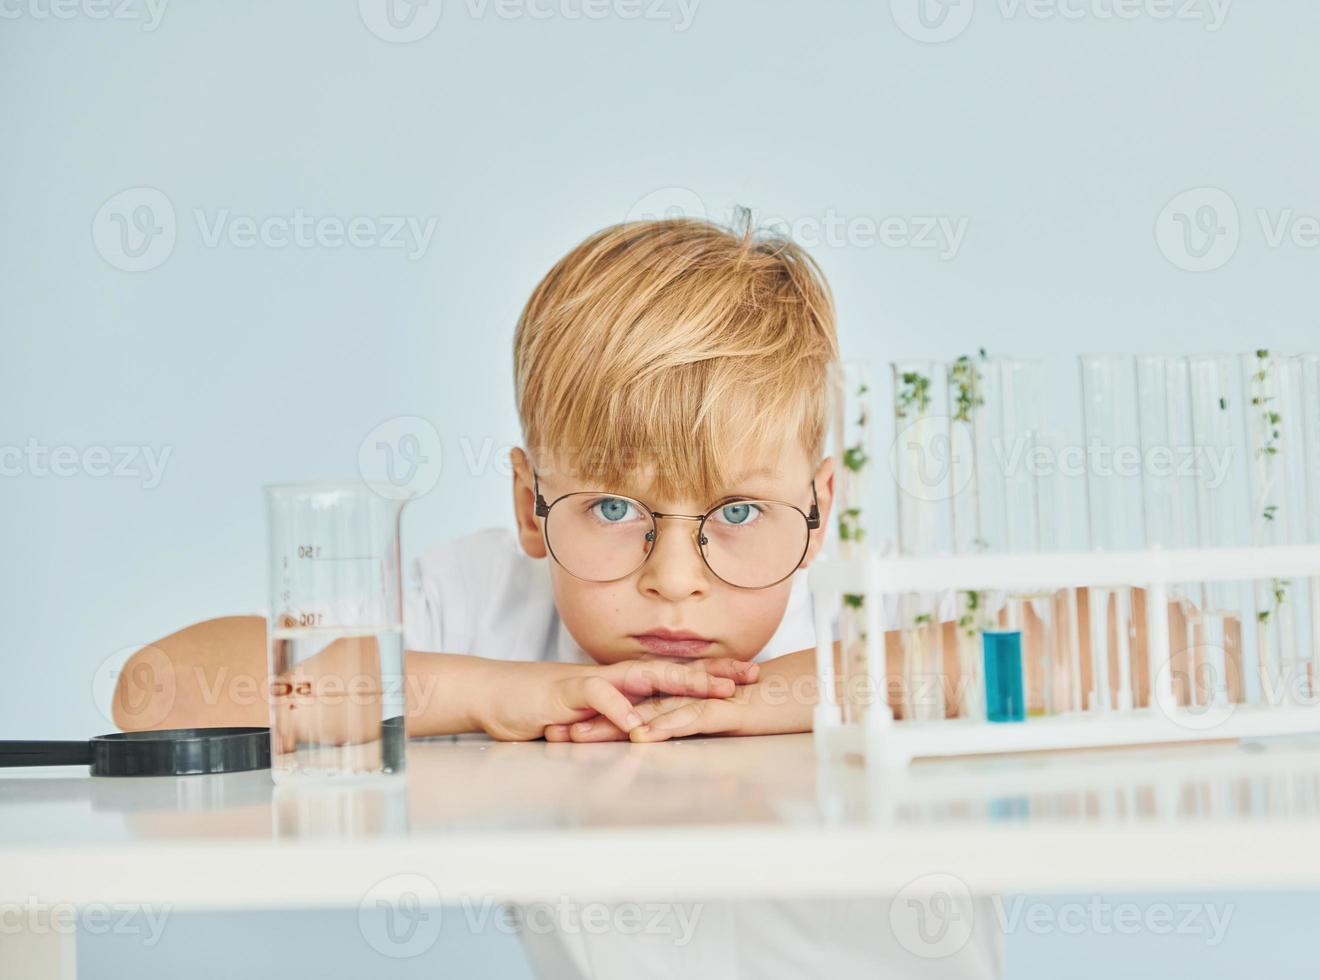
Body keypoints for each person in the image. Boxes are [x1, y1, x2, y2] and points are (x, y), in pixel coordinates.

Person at [113, 212, 1000, 978]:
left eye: (737, 511)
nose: (676, 578)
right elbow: (158, 693)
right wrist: (500, 692)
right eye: (614, 507)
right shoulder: (492, 606)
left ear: (818, 510)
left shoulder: (879, 599)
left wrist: (793, 690)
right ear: (528, 507)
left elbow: (1102, 650)